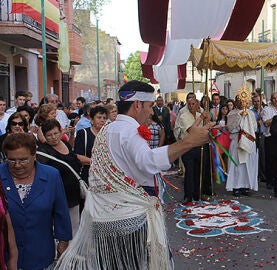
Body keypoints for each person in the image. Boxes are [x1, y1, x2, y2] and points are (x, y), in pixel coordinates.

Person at [55, 80, 212, 269]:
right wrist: (189, 142)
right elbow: (148, 161)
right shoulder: (130, 132)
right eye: (150, 106)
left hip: (104, 218)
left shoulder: (108, 129)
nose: (152, 112)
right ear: (137, 105)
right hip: (129, 221)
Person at [1, 133, 71, 269]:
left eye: (23, 160)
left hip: (39, 254)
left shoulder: (51, 175)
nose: (17, 165)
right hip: (5, 257)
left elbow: (61, 212)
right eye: (12, 160)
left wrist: (63, 243)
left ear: (34, 156)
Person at [36, 119, 82, 237]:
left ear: (61, 132)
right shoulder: (42, 152)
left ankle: (72, 253)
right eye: (49, 135)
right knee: (58, 227)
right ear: (45, 136)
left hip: (73, 194)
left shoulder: (65, 144)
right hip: (57, 196)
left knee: (75, 226)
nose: (53, 137)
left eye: (56, 133)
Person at [176, 97, 210, 204]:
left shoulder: (201, 115)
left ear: (197, 105)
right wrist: (201, 119)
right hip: (188, 146)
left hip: (200, 145)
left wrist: (207, 119)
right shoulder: (183, 116)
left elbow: (206, 128)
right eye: (189, 104)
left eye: (193, 104)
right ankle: (188, 196)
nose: (191, 106)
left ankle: (199, 193)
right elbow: (191, 130)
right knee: (189, 171)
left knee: (200, 171)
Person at [226, 95, 258, 196]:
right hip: (237, 141)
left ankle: (246, 186)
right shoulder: (232, 113)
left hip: (248, 142)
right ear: (235, 102)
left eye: (243, 100)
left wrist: (246, 120)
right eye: (239, 100)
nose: (241, 102)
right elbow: (230, 128)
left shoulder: (251, 113)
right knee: (237, 165)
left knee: (247, 165)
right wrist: (240, 118)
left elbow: (254, 127)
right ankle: (236, 186)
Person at [74, 106, 107, 184]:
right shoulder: (83, 133)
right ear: (92, 120)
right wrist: (97, 162)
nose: (102, 120)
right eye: (99, 117)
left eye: (104, 118)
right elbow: (77, 155)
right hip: (88, 174)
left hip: (104, 176)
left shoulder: (108, 135)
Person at [262, 92, 277, 190]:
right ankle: (269, 181)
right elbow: (265, 123)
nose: (276, 100)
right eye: (274, 98)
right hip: (270, 137)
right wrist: (276, 116)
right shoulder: (267, 109)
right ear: (271, 99)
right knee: (269, 160)